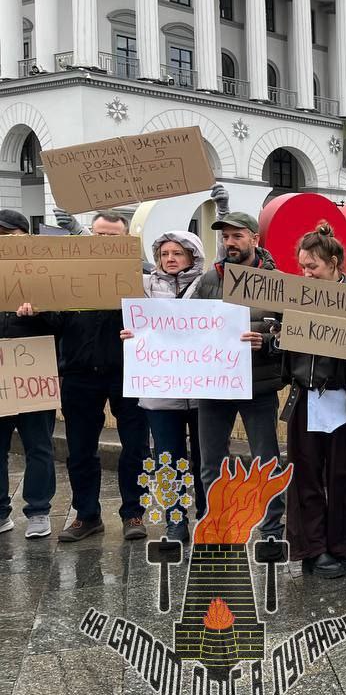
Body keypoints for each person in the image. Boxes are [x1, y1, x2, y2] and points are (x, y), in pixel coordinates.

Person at [188, 212, 286, 542]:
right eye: (226, 237)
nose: (230, 242)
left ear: (255, 239)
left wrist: (267, 339)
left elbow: (294, 332)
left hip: (258, 385)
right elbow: (185, 328)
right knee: (211, 461)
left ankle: (272, 529)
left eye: (237, 236)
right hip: (214, 385)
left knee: (266, 459)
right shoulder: (207, 281)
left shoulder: (277, 281)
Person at [273, 224, 346, 579]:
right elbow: (278, 336)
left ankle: (343, 543)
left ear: (335, 263)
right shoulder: (294, 296)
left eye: (313, 267)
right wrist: (273, 337)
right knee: (306, 476)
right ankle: (313, 548)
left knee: (342, 475)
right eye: (302, 267)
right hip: (304, 396)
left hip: (342, 397)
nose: (306, 274)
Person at [58, 211, 151, 542]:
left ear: (125, 241)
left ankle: (133, 512)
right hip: (79, 374)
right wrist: (34, 309)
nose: (105, 243)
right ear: (89, 237)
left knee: (135, 447)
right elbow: (53, 322)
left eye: (113, 238)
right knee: (80, 449)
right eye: (99, 236)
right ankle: (87, 515)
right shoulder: (68, 277)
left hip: (129, 374)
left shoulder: (143, 277)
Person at [120, 231, 208, 542]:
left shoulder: (208, 284)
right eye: (164, 254)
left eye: (177, 253)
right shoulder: (143, 286)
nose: (169, 259)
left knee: (206, 459)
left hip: (203, 391)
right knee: (168, 459)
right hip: (160, 393)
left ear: (192, 256)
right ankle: (175, 520)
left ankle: (207, 517)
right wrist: (130, 334)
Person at [0, 211, 57, 540]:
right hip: (4, 373)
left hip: (35, 373)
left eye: (10, 235)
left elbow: (62, 327)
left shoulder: (45, 276)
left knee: (38, 445)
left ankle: (38, 510)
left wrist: (42, 312)